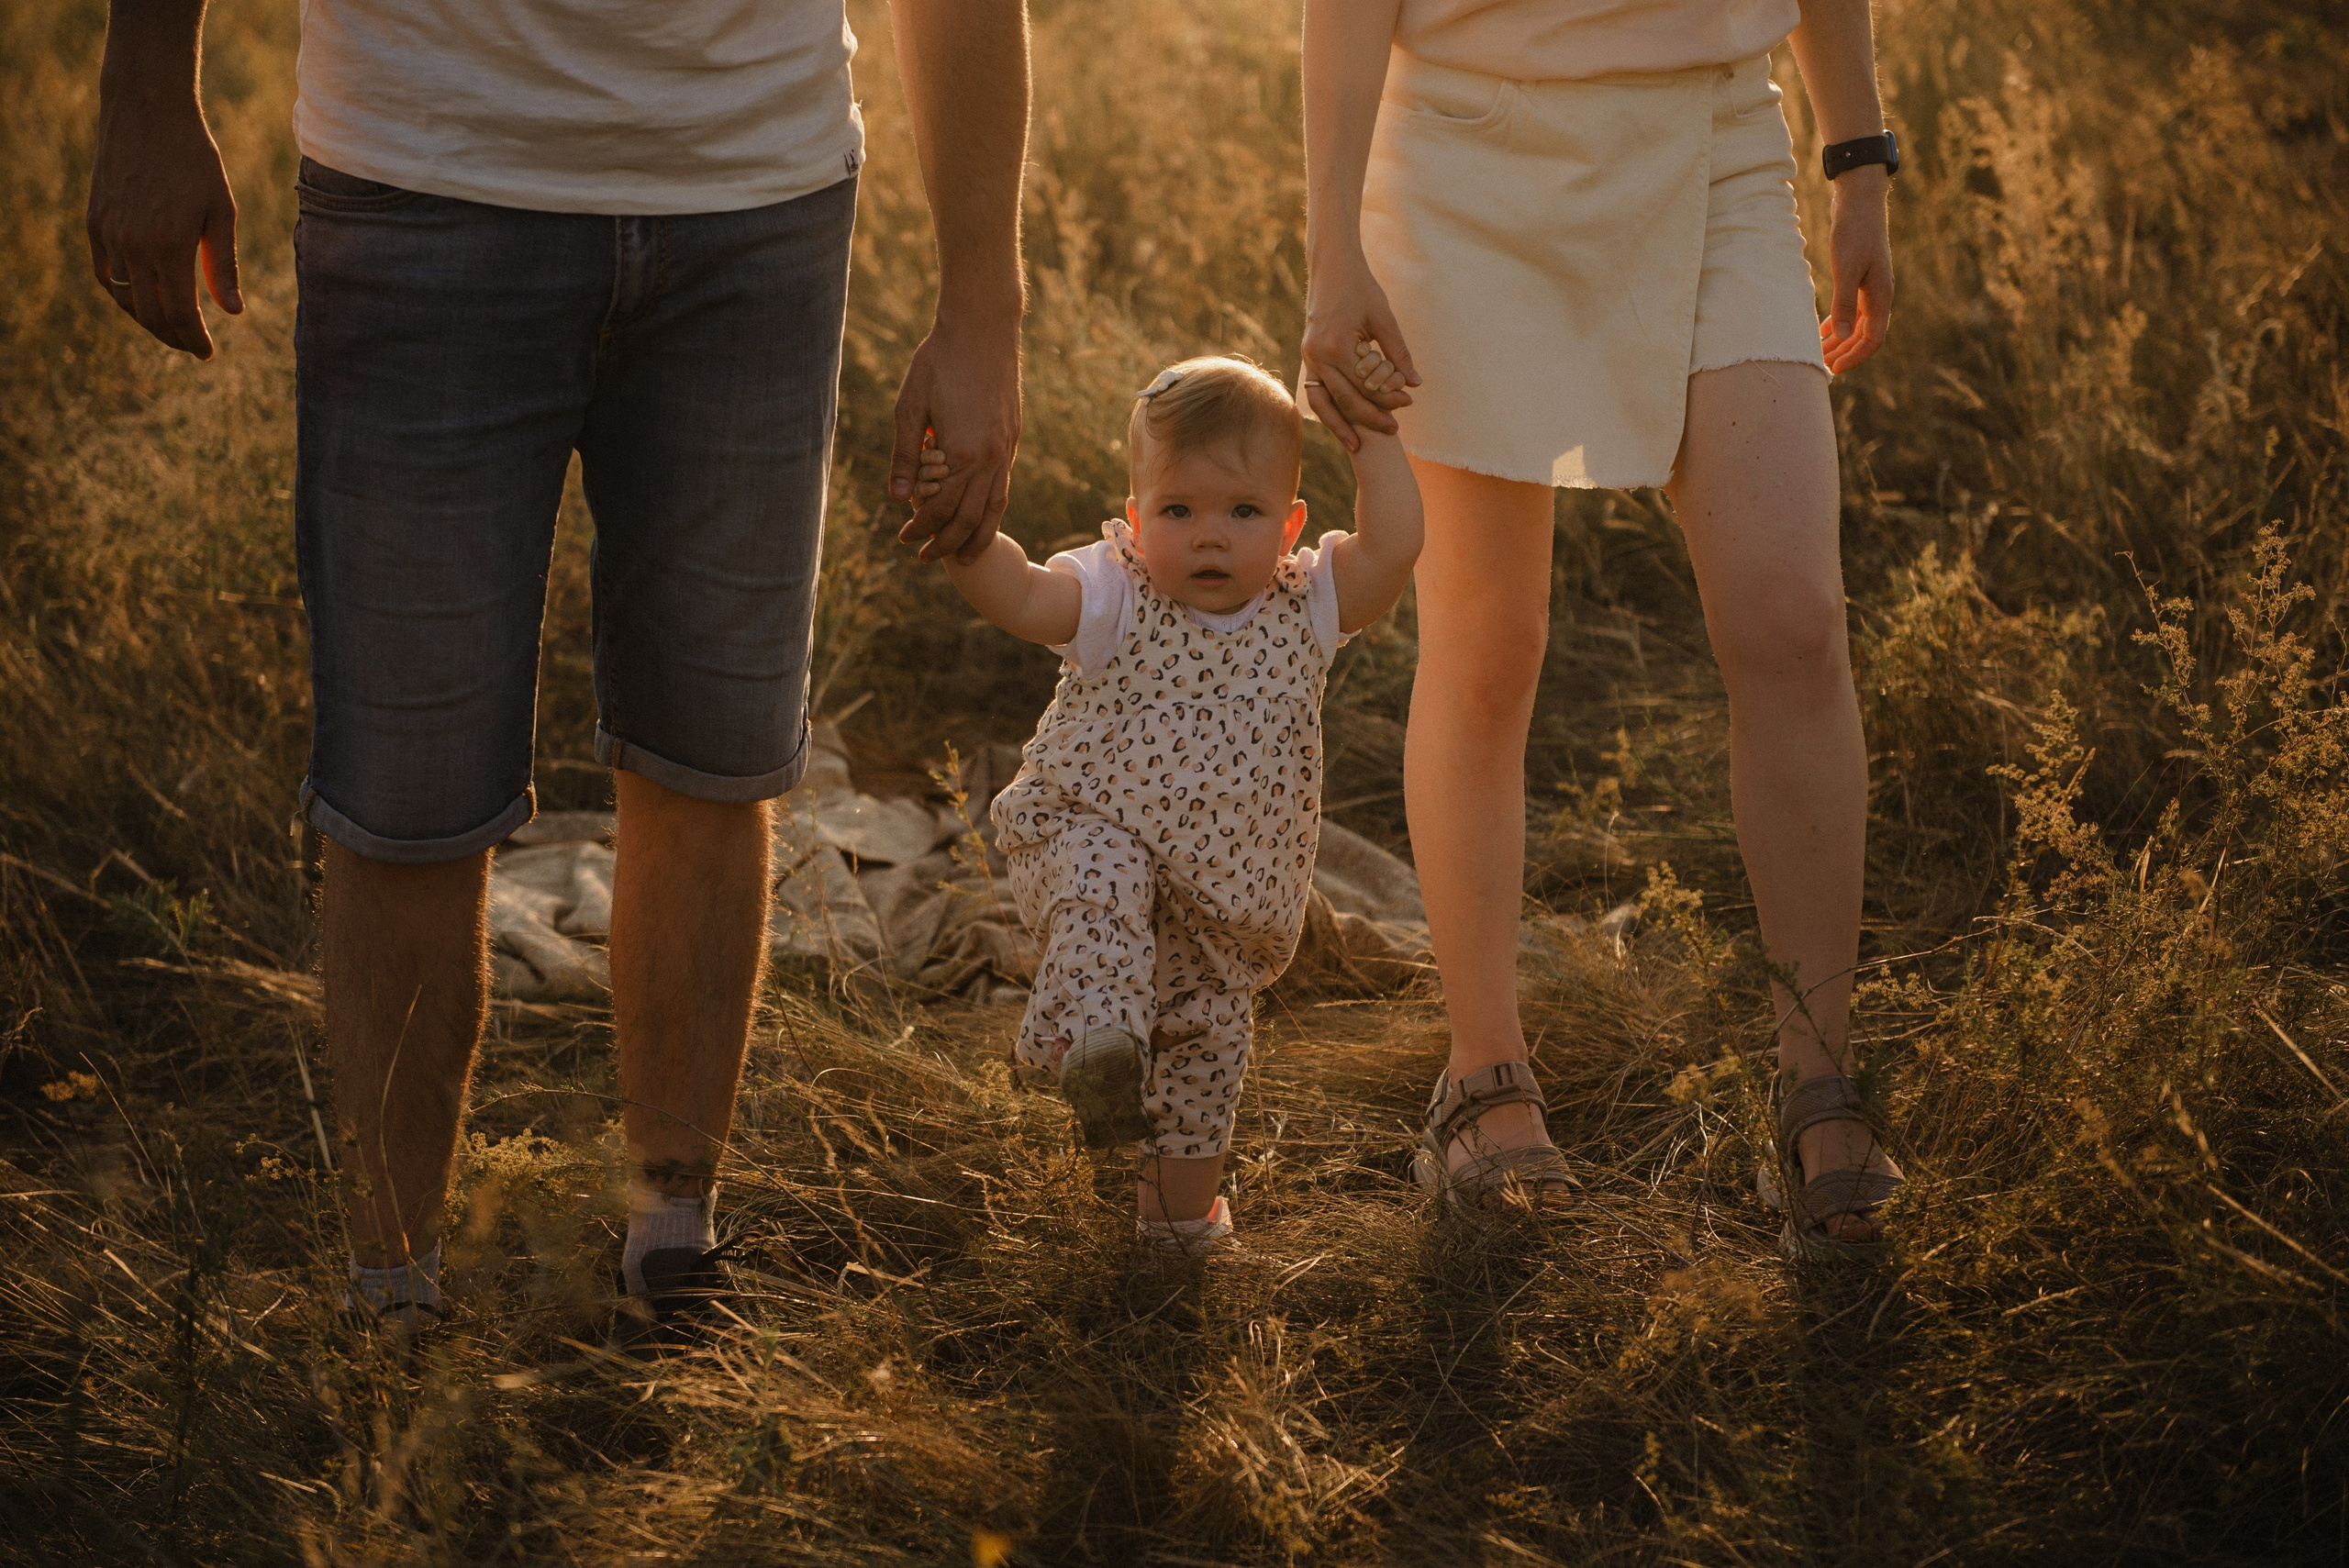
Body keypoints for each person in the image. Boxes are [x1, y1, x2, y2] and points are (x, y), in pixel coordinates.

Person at [85, 0, 1031, 1338]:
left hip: (756, 190)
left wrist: (982, 300)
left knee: (714, 754)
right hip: (426, 173)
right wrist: (142, 86)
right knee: (406, 791)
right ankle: (394, 1300)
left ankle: (673, 1248)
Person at [1299, 0, 1903, 1254]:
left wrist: (1858, 156)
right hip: (1465, 157)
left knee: (1790, 617)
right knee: (1489, 640)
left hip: (1715, 143)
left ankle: (1822, 1087)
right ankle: (1483, 1074)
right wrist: (1331, 253)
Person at [916, 354, 1422, 1253]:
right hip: (1087, 840)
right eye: (1179, 511)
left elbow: (1393, 547)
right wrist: (965, 535)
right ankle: (1097, 1043)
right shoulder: (1117, 591)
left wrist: (1372, 437)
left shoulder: (1306, 605)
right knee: (1110, 880)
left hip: (1223, 920)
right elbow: (1022, 592)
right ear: (1138, 514)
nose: (1211, 537)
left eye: (1243, 511)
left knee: (1201, 1075)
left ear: (1291, 520)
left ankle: (1179, 1234)